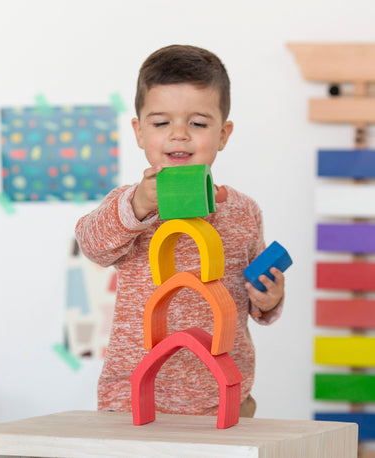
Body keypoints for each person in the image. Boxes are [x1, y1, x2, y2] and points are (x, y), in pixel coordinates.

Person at [75, 44, 285, 418]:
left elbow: (253, 299)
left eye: (198, 123)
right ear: (139, 132)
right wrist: (137, 206)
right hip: (134, 400)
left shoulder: (244, 211)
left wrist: (268, 300)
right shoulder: (130, 203)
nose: (179, 135)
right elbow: (92, 246)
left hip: (223, 398)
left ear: (223, 134)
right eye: (161, 123)